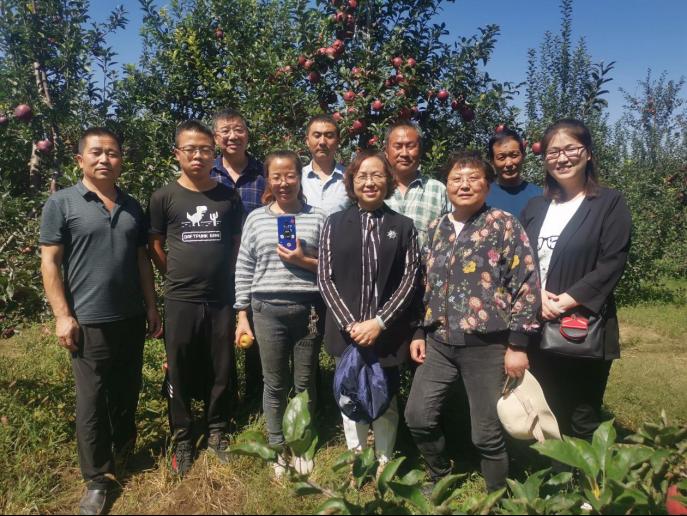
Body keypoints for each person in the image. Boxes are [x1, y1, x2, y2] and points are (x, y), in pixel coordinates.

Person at [40, 128, 162, 515]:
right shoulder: (61, 203)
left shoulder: (132, 205)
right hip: (88, 320)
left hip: (130, 316)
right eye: (96, 152)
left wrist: (151, 306)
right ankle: (97, 478)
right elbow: (50, 262)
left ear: (121, 160)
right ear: (80, 160)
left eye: (112, 153)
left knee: (127, 390)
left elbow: (142, 260)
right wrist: (63, 316)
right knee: (92, 401)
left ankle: (124, 452)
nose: (105, 159)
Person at [404, 151, 540, 493]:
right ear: (446, 185)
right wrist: (419, 330)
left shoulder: (504, 224)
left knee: (486, 433)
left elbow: (526, 283)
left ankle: (496, 496)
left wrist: (518, 344)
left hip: (487, 346)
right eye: (456, 179)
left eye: (473, 178)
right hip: (439, 343)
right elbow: (424, 284)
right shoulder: (436, 228)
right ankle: (440, 474)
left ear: (487, 185)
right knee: (418, 416)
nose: (464, 185)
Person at [521, 119, 632, 441]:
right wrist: (536, 295)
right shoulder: (536, 206)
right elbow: (519, 259)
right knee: (547, 407)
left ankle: (589, 473)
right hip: (536, 319)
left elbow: (612, 262)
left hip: (581, 323)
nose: (562, 158)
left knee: (582, 415)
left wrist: (565, 301)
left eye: (570, 149)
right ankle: (556, 470)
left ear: (588, 153)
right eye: (553, 152)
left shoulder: (609, 203)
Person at [148, 120, 244, 476]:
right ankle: (183, 436)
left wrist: (223, 275)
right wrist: (174, 276)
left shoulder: (228, 197)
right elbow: (154, 246)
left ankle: (218, 427)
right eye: (190, 149)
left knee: (222, 365)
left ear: (213, 153)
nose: (198, 156)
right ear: (177, 153)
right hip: (180, 299)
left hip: (221, 297)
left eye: (205, 149)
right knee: (180, 366)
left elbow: (236, 245)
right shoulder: (163, 197)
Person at [318, 149, 420, 469]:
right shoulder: (334, 223)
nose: (369, 182)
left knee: (385, 397)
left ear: (387, 181)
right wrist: (352, 325)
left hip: (386, 333)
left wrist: (379, 322)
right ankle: (358, 461)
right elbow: (324, 277)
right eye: (362, 176)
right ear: (352, 182)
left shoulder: (403, 226)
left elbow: (411, 278)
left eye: (377, 175)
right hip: (347, 334)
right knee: (350, 394)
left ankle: (385, 462)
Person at [234, 150, 327, 478]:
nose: (284, 182)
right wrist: (241, 314)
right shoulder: (256, 218)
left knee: (304, 383)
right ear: (268, 180)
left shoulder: (319, 217)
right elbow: (244, 266)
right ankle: (277, 446)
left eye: (290, 176)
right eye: (277, 176)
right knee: (274, 383)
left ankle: (301, 444)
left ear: (299, 178)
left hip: (309, 309)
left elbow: (330, 268)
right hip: (266, 310)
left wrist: (303, 260)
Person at [211, 108, 265, 400]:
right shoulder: (206, 173)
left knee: (258, 331)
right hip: (217, 267)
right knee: (221, 333)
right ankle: (227, 395)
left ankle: (257, 396)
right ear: (215, 137)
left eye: (239, 130)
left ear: (247, 134)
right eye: (225, 131)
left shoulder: (264, 173)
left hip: (258, 268)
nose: (233, 136)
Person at [384, 121, 450, 248]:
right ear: (386, 151)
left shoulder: (438, 190)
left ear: (420, 151)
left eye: (410, 146)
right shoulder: (375, 190)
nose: (404, 153)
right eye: (398, 146)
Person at [486, 128, 542, 219]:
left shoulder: (540, 196)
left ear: (523, 156)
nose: (509, 163)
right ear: (492, 161)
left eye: (514, 155)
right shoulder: (482, 197)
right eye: (501, 158)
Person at [301, 114, 351, 215]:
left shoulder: (350, 178)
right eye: (317, 136)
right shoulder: (297, 178)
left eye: (329, 136)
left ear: (338, 141)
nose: (322, 142)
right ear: (307, 141)